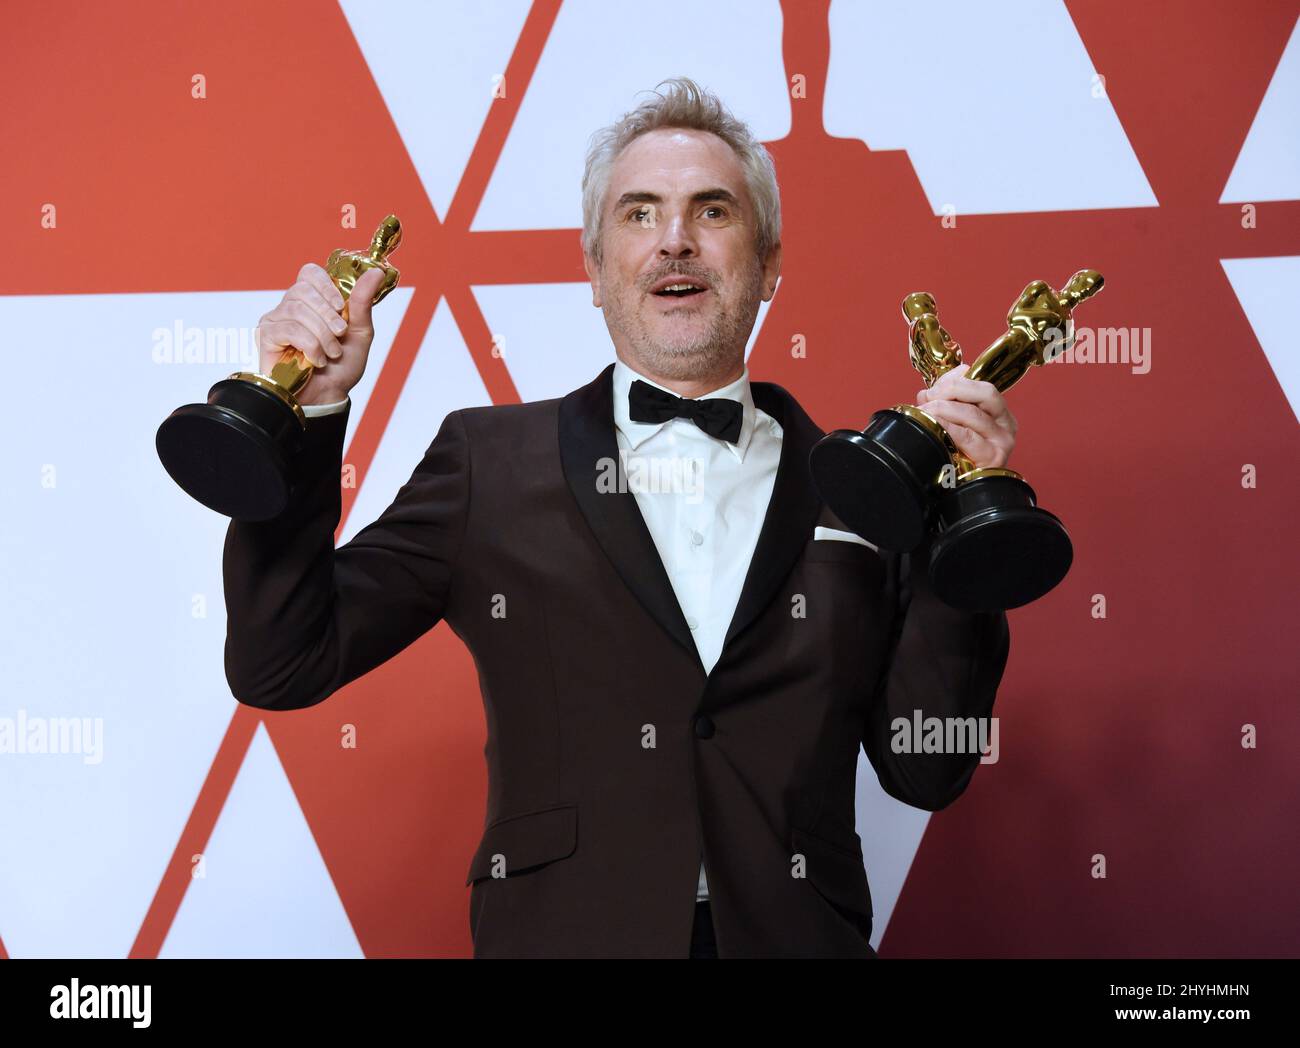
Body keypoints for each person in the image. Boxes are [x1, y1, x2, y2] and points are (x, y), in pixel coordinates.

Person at [224, 77, 1014, 958]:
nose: (675, 241)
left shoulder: (862, 484)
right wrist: (309, 416)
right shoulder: (487, 463)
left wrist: (963, 530)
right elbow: (280, 661)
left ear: (769, 265)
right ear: (595, 270)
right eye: (640, 214)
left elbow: (928, 768)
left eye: (711, 211)